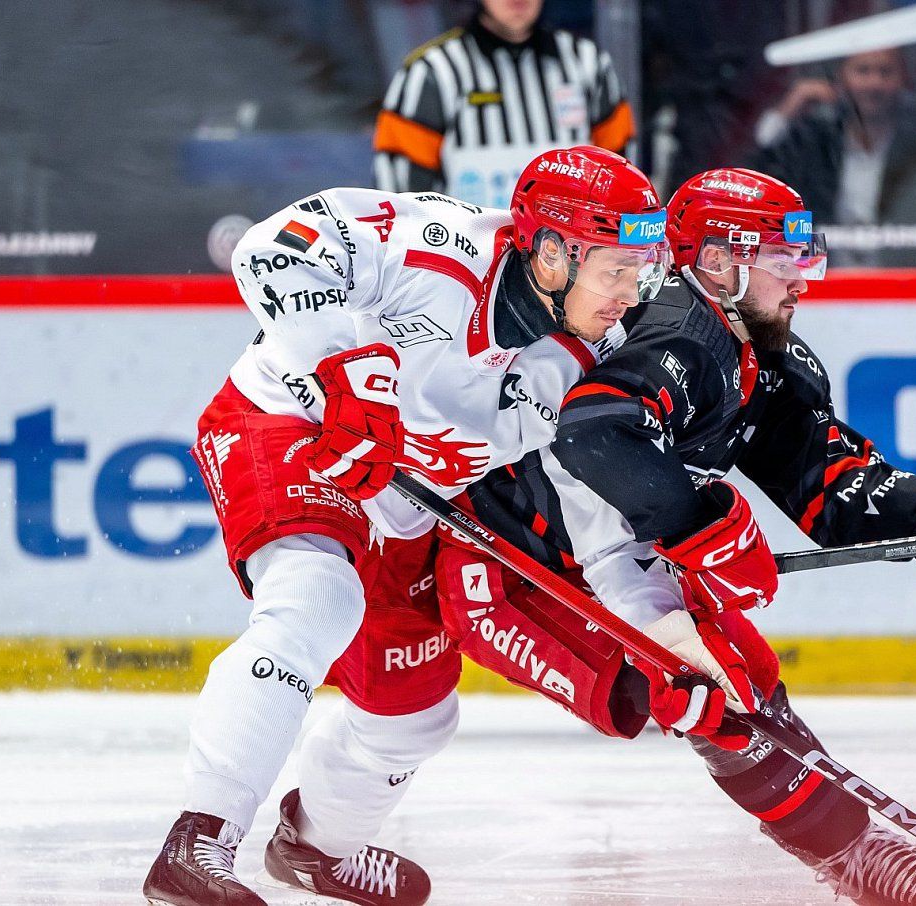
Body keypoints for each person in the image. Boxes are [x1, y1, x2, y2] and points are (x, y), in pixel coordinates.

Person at [283, 168, 916, 906]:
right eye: (784, 260)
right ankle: (850, 850)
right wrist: (703, 533)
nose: (803, 279)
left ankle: (848, 847)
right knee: (693, 693)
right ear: (719, 262)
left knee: (737, 677)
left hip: (608, 561)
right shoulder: (673, 337)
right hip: (508, 567)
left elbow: (825, 478)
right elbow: (596, 436)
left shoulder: (761, 352)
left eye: (804, 258)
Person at [141, 146, 669, 906]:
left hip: (408, 502)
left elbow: (594, 498)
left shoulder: (605, 351)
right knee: (317, 596)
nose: (630, 292)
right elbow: (270, 248)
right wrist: (345, 368)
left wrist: (653, 603)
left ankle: (315, 849)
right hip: (292, 423)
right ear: (553, 252)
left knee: (413, 717)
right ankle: (198, 842)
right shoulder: (438, 247)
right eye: (616, 268)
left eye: (641, 269)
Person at [373, 0, 635, 208]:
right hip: (465, 254)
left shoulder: (588, 64)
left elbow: (622, 180)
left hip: (571, 254)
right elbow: (399, 198)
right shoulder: (432, 71)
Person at [749, 48, 916, 267]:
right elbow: (760, 162)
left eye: (885, 72)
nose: (874, 83)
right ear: (840, 80)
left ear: (903, 80)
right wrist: (795, 102)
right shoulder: (820, 144)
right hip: (825, 274)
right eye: (863, 71)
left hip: (899, 275)